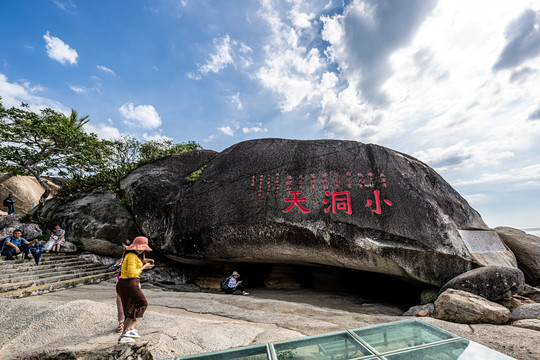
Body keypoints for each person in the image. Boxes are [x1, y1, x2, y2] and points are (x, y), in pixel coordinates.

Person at [116, 236, 154, 343]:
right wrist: (144, 267)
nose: (141, 249)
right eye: (139, 247)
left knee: (130, 310)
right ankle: (131, 329)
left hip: (124, 284)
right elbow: (132, 273)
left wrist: (146, 261)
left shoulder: (132, 255)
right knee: (143, 304)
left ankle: (123, 336)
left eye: (143, 248)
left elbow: (134, 262)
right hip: (130, 283)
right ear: (134, 246)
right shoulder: (132, 256)